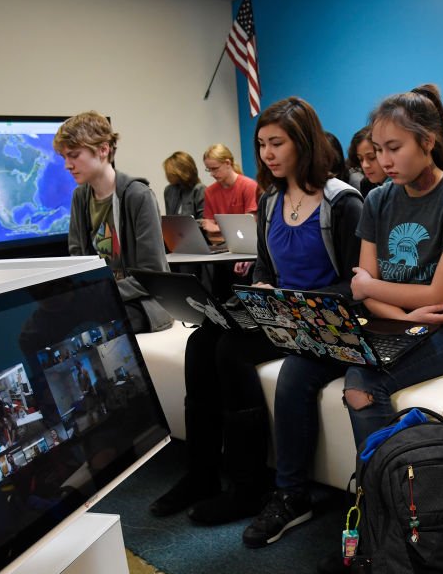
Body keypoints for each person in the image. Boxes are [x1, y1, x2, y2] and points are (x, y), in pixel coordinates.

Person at [242, 84, 443, 549]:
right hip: (391, 318)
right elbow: (363, 288)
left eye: (393, 148)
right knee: (298, 369)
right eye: (378, 150)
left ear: (428, 142)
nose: (384, 160)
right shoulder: (378, 198)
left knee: (362, 382)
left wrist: (375, 290)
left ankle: (382, 515)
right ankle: (293, 494)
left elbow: (439, 295)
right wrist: (394, 303)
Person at [150, 97, 363, 526]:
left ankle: (249, 487)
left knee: (230, 350)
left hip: (323, 317)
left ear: (302, 143)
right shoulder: (270, 201)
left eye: (277, 143)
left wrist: (294, 300)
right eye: (262, 143)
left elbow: (356, 283)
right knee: (200, 341)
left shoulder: (342, 202)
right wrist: (263, 285)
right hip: (279, 310)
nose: (267, 153)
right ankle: (203, 473)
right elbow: (266, 263)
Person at [55, 111, 172, 333]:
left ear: (103, 149)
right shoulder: (80, 198)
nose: (67, 165)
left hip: (143, 302)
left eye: (74, 155)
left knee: (96, 324)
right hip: (101, 297)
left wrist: (99, 294)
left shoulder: (138, 196)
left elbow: (152, 276)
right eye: (64, 157)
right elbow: (78, 261)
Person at [200, 143, 259, 242]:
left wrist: (218, 228)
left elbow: (249, 226)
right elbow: (210, 232)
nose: (212, 174)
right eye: (208, 169)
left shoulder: (249, 186)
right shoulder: (209, 192)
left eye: (215, 169)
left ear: (228, 163)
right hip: (220, 246)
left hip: (247, 244)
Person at [346, 126, 388, 198]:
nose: (365, 165)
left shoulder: (402, 185)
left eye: (372, 158)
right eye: (360, 159)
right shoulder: (366, 184)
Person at [162, 151, 206, 218]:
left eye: (171, 173)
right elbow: (169, 219)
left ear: (181, 172)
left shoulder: (199, 189)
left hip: (194, 228)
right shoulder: (169, 190)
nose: (168, 175)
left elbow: (204, 221)